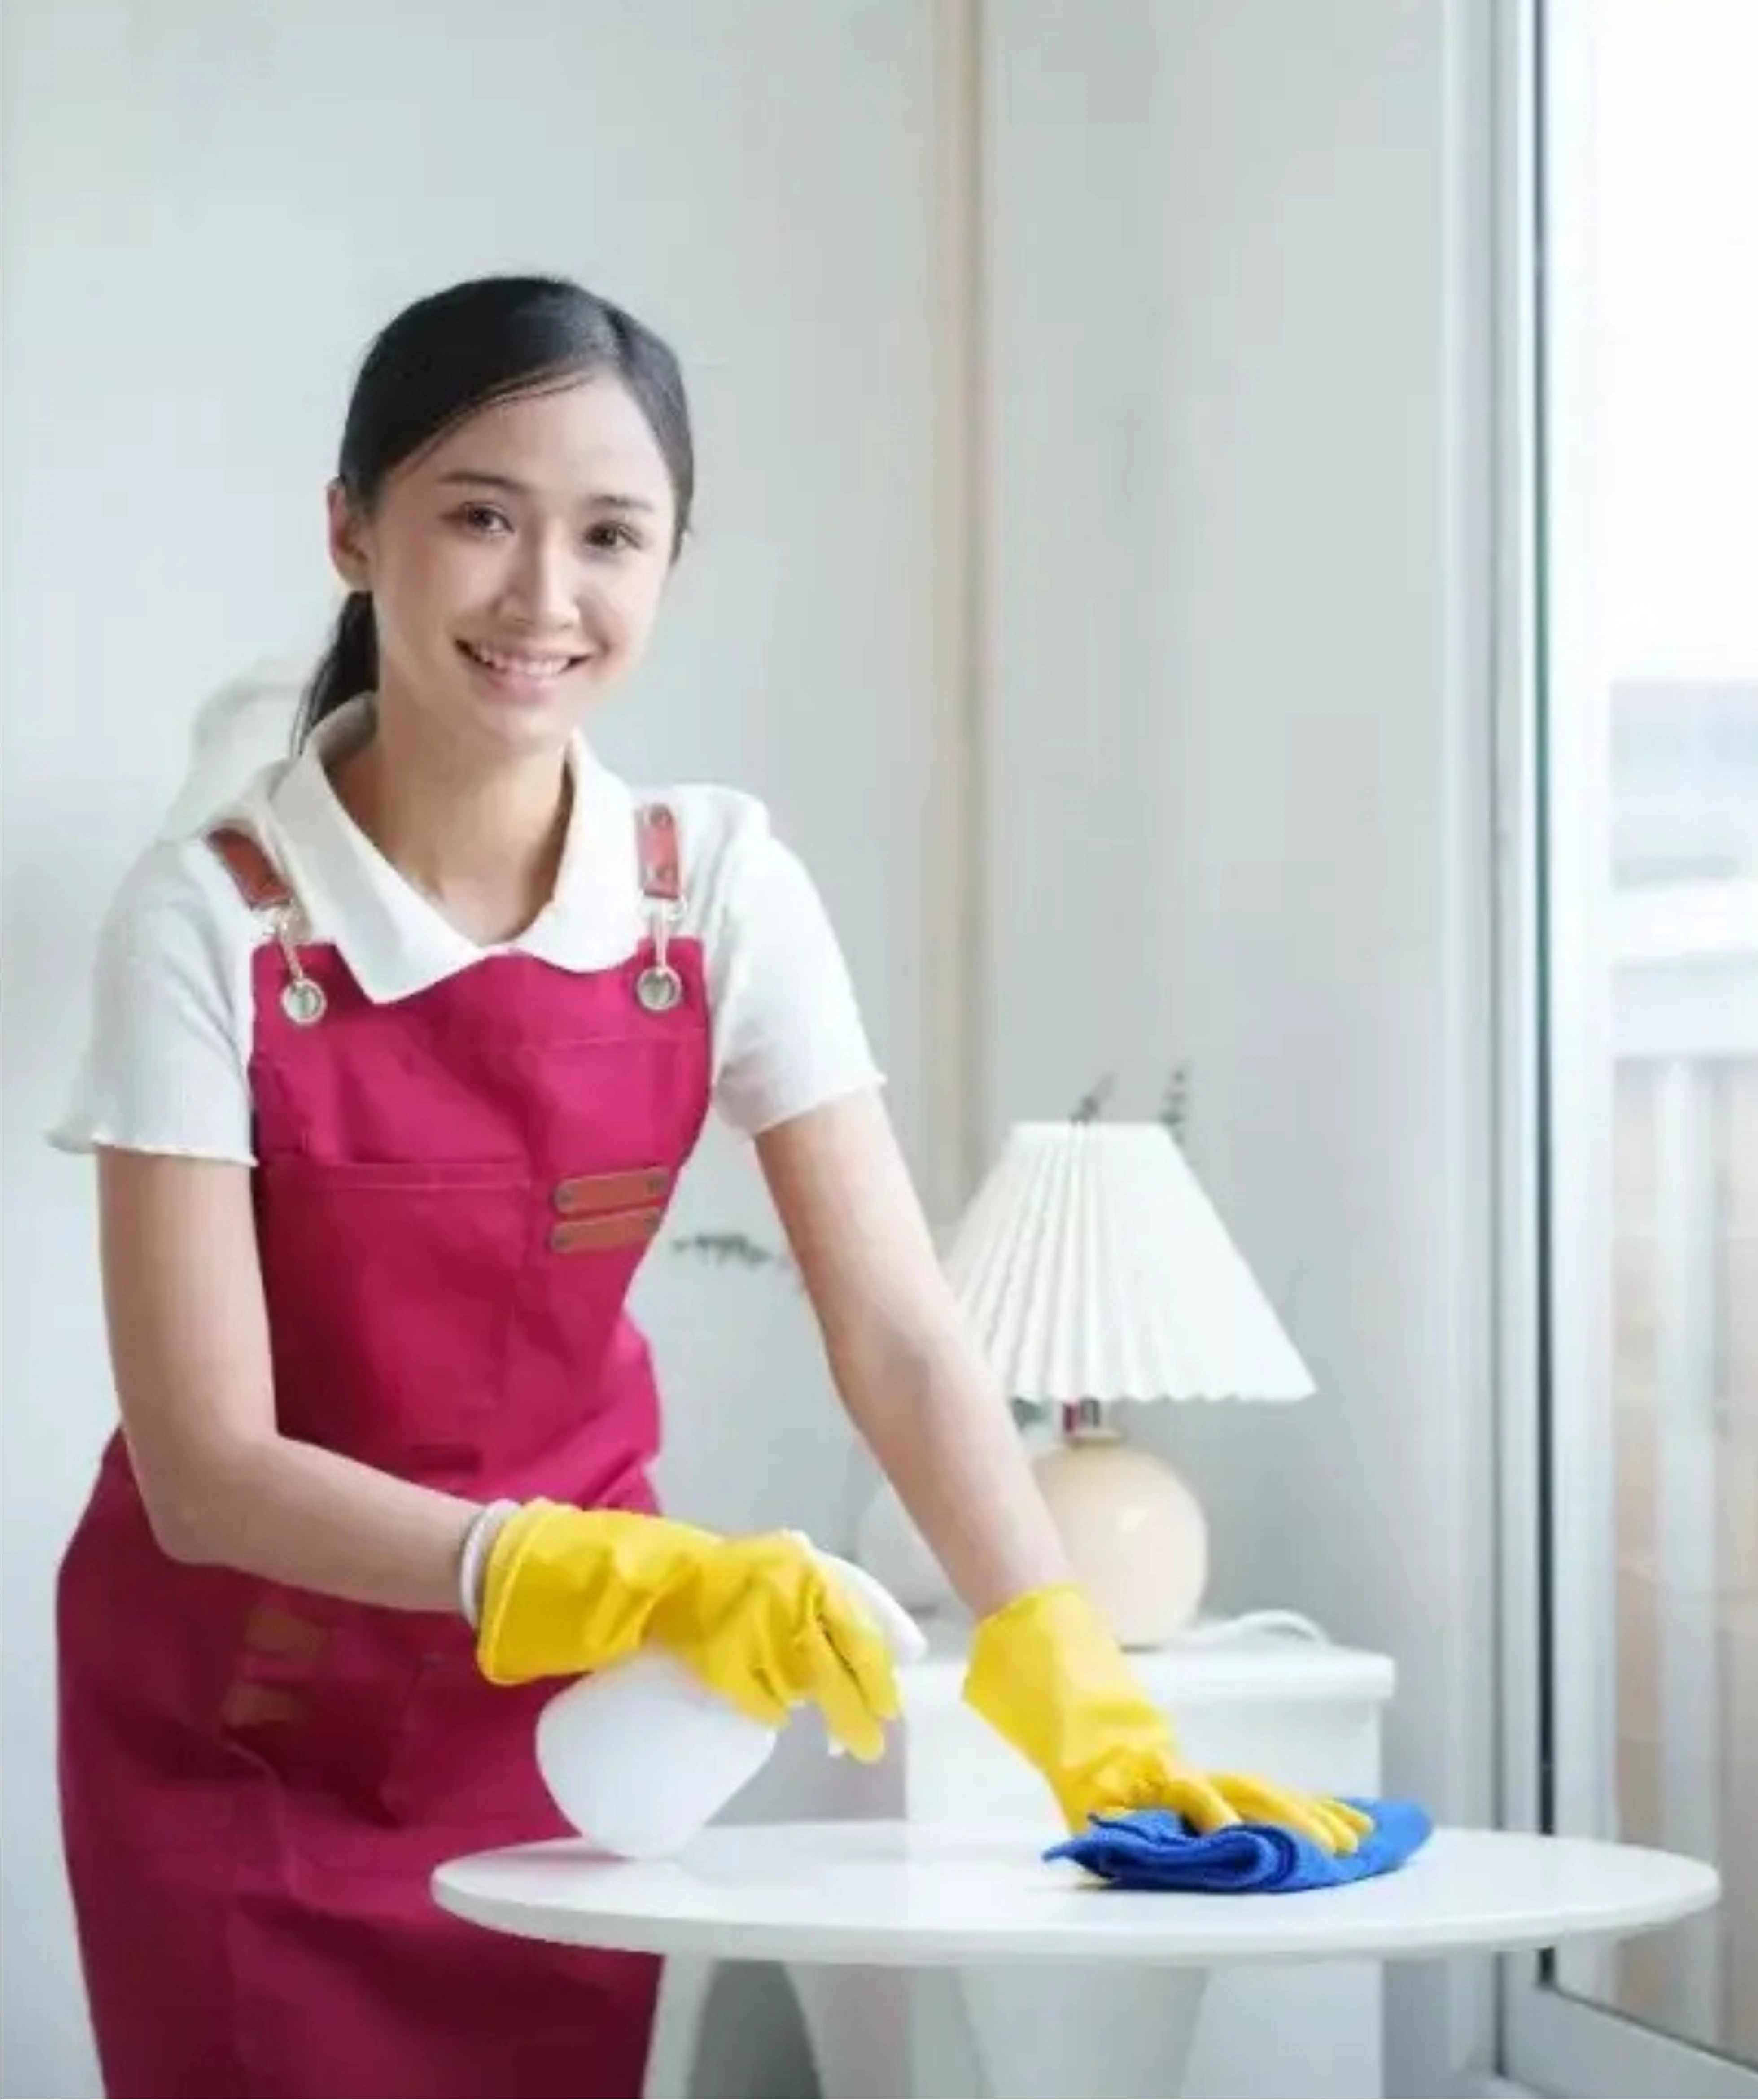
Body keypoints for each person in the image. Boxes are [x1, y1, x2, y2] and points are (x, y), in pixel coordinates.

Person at [49, 273, 1366, 2100]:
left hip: (575, 1732)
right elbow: (206, 1473)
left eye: (611, 534)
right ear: (351, 531)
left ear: (672, 561)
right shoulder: (214, 921)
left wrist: (1065, 1674)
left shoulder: (713, 895)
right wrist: (594, 1567)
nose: (545, 595)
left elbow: (899, 1333)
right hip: (247, 1726)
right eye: (481, 516)